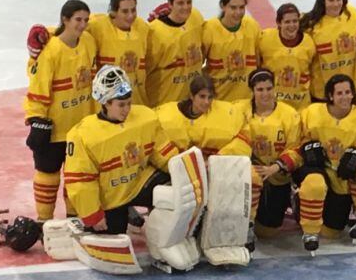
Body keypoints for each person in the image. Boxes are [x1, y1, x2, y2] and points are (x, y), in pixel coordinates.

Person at [64, 66, 176, 234]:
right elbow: (80, 181)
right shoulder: (82, 135)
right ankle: (122, 214)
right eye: (121, 104)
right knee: (112, 233)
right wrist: (92, 214)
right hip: (110, 199)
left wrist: (183, 170)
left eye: (129, 103)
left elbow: (164, 153)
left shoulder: (145, 117)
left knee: (175, 192)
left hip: (139, 183)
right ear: (105, 102)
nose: (127, 109)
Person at [154, 74, 258, 252]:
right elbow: (156, 144)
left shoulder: (228, 113)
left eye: (210, 97)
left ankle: (245, 226)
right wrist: (186, 165)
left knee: (253, 178)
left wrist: (216, 160)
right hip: (179, 171)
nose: (207, 102)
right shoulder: (164, 115)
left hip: (217, 167)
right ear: (191, 96)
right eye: (202, 97)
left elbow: (245, 138)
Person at [24, 0, 97, 221]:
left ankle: (74, 220)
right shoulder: (51, 51)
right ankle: (43, 221)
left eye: (85, 19)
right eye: (77, 19)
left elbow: (103, 19)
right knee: (48, 175)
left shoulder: (89, 42)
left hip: (80, 129)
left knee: (77, 178)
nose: (83, 24)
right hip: (55, 128)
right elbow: (38, 88)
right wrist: (36, 119)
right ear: (65, 20)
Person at [295, 74, 356, 252]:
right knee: (313, 183)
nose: (345, 97)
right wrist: (307, 147)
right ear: (330, 96)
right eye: (340, 93)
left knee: (331, 232)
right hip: (321, 171)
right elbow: (297, 139)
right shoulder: (311, 113)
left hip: (344, 178)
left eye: (348, 92)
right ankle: (309, 230)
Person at [233, 69, 304, 240]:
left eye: (269, 88)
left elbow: (296, 149)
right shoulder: (237, 110)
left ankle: (292, 200)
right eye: (260, 89)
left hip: (276, 175)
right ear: (252, 91)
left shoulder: (290, 115)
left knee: (267, 232)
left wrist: (275, 167)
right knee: (241, 226)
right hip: (247, 175)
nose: (265, 94)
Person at [300, 0, 356, 102]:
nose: (336, 4)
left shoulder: (352, 15)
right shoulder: (310, 24)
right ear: (322, 1)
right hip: (322, 92)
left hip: (350, 89)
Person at [87, 0, 150, 106]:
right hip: (108, 106)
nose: (131, 15)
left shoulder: (142, 27)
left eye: (133, 10)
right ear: (113, 12)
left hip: (138, 102)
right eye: (125, 11)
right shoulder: (98, 28)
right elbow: (70, 30)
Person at [146, 0, 204, 106]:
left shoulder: (196, 17)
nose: (186, 7)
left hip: (192, 104)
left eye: (189, 2)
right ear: (170, 5)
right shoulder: (154, 31)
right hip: (164, 106)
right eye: (180, 3)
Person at [202, 0, 261, 101]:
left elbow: (259, 62)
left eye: (242, 7)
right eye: (233, 8)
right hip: (218, 102)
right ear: (222, 6)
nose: (238, 12)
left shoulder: (252, 26)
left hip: (247, 101)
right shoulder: (209, 29)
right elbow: (198, 65)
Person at [257, 3, 316, 110]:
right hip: (273, 106)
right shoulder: (265, 39)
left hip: (300, 106)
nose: (292, 25)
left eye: (295, 21)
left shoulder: (309, 42)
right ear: (279, 23)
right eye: (287, 22)